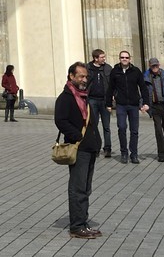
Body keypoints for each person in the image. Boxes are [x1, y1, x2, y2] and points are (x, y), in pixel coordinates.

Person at [55, 62, 100, 240]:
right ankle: (76, 226)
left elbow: (91, 122)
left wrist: (97, 141)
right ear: (71, 76)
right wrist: (77, 137)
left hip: (90, 147)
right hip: (78, 148)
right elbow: (60, 120)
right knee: (77, 188)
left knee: (86, 189)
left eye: (85, 76)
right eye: (80, 76)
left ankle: (83, 222)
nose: (84, 79)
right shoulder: (65, 97)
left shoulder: (83, 96)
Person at [109, 50, 145, 163]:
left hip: (134, 105)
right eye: (122, 57)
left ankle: (134, 154)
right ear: (119, 59)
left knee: (134, 130)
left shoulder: (136, 71)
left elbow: (143, 87)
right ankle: (124, 153)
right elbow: (110, 88)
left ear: (130, 59)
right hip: (121, 105)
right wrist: (108, 104)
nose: (124, 59)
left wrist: (145, 103)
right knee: (122, 127)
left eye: (126, 57)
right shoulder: (115, 71)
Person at [142, 57, 164, 162]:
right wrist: (143, 104)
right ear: (150, 66)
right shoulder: (146, 77)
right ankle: (161, 153)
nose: (155, 67)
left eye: (156, 65)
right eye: (153, 66)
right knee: (158, 130)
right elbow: (142, 93)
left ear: (159, 65)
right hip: (154, 106)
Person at [85, 49, 113, 159]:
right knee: (94, 126)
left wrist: (112, 96)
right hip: (92, 100)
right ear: (95, 58)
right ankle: (95, 148)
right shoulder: (88, 68)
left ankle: (108, 148)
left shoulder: (107, 68)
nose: (104, 59)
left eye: (104, 57)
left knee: (106, 126)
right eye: (102, 57)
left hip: (105, 100)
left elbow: (112, 83)